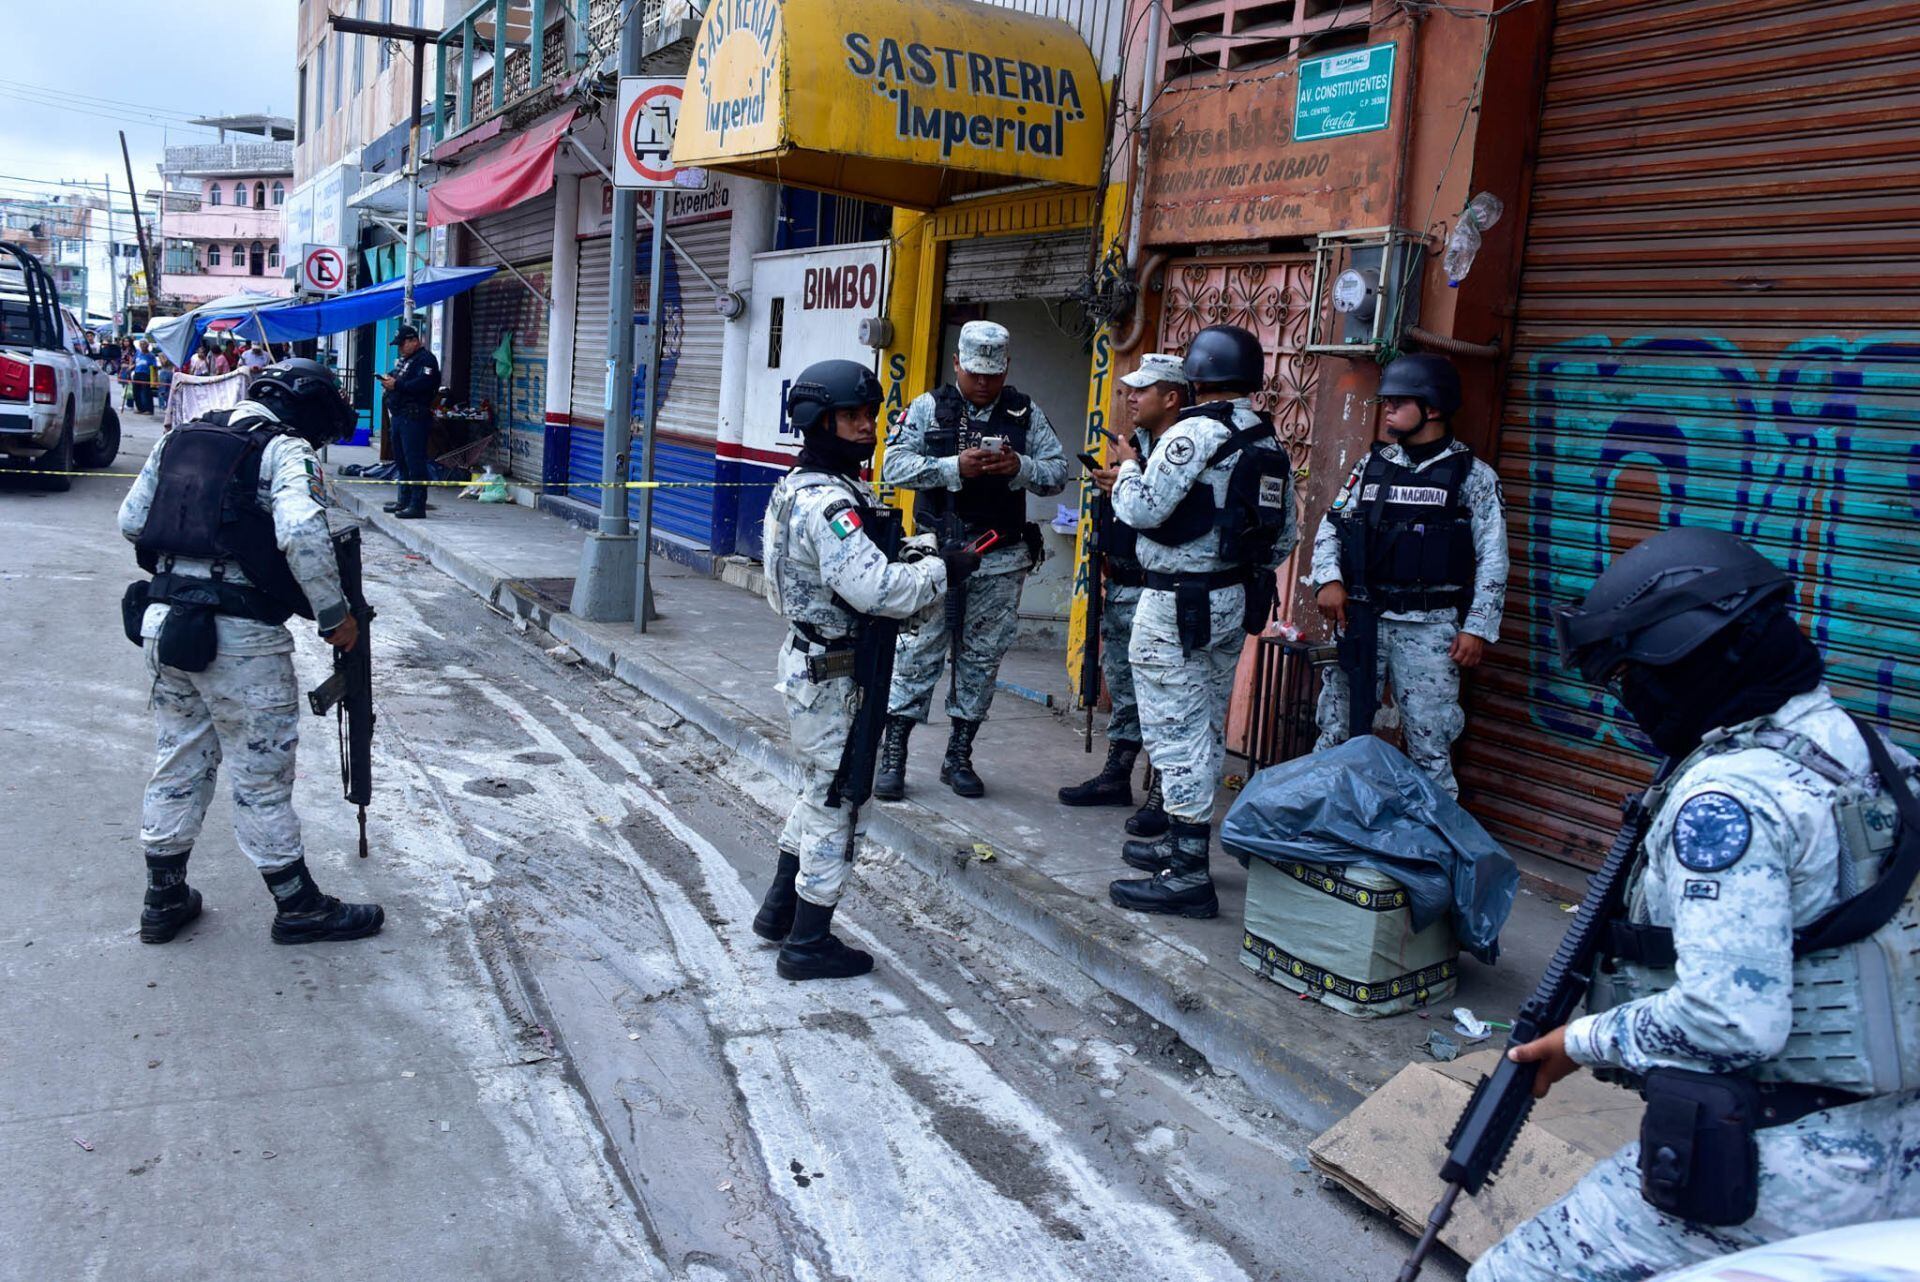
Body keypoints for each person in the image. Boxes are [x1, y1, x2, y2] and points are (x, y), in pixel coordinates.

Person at [1472, 527, 1920, 1281]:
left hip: (1774, 1163)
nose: (1632, 703)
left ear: (1689, 661)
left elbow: (1728, 1019)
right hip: (1896, 1160)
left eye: (1631, 678)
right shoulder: (1882, 758)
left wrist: (1575, 1043)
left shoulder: (1728, 799)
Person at [118, 358, 384, 947]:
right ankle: (298, 906)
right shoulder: (284, 451)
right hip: (240, 639)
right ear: (305, 413)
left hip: (165, 622)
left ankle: (163, 897)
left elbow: (132, 521)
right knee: (261, 772)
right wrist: (334, 616)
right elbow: (302, 536)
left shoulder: (181, 437)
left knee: (178, 757)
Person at [757, 360, 963, 980]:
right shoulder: (829, 503)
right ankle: (808, 942)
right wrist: (945, 570)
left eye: (869, 415)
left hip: (817, 661)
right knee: (838, 802)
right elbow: (880, 592)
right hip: (840, 675)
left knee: (817, 789)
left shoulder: (804, 486)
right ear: (819, 421)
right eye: (852, 418)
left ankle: (779, 912)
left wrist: (920, 552)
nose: (866, 428)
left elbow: (855, 565)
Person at [1106, 325, 1296, 917]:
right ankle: (1183, 845)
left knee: (1173, 730)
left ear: (1196, 376)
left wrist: (1129, 468)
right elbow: (1284, 536)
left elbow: (1141, 508)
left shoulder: (1192, 431)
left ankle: (1187, 876)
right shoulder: (1267, 438)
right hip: (1232, 600)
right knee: (1206, 723)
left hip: (1175, 603)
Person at [871, 320, 1068, 800]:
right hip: (936, 554)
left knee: (981, 659)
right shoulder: (928, 408)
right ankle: (893, 753)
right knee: (917, 654)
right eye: (974, 372)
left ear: (1006, 369)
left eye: (992, 374)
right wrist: (950, 467)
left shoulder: (1025, 413)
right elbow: (890, 465)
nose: (983, 383)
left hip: (999, 556)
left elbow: (1058, 472)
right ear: (957, 363)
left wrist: (1019, 467)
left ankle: (959, 755)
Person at [1309, 352, 1508, 796]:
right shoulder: (1370, 466)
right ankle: (1323, 834)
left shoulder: (1473, 476)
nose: (1388, 409)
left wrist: (1477, 628)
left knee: (1429, 745)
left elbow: (1493, 557)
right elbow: (1332, 526)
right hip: (1363, 619)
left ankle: (1430, 853)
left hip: (1431, 629)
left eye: (1399, 401)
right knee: (1337, 732)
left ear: (1432, 408)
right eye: (1387, 400)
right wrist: (1329, 579)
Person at [1057, 353, 1187, 841]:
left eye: (1141, 390)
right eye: (1129, 389)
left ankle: (1161, 792)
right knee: (1126, 684)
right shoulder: (1135, 444)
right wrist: (1119, 482)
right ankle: (1118, 774)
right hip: (1125, 582)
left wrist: (1132, 476)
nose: (1129, 397)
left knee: (1164, 695)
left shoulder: (1185, 447)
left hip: (1163, 590)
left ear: (1171, 397)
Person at [379, 324, 440, 520]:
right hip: (398, 417)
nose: (400, 349)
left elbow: (423, 384)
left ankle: (417, 504)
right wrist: (388, 379)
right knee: (401, 461)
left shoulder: (426, 360)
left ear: (414, 341)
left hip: (414, 418)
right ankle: (403, 500)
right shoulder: (405, 360)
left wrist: (397, 385)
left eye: (403, 344)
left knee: (415, 462)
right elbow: (397, 376)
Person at [130, 340, 157, 415]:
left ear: (147, 346)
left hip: (146, 374)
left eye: (144, 344)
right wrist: (131, 367)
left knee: (146, 392)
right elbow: (134, 362)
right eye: (141, 344)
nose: (142, 346)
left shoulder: (151, 355)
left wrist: (154, 379)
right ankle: (140, 408)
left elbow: (154, 366)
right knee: (136, 391)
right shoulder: (138, 353)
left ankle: (149, 409)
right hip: (137, 373)